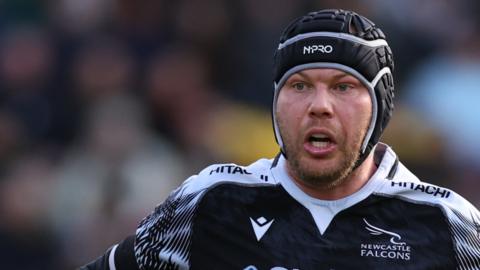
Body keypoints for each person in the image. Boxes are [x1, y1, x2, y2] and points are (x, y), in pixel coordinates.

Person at [80, 9, 480, 270]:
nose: (319, 106)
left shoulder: (448, 224)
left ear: (380, 106)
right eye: (299, 85)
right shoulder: (210, 201)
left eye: (343, 87)